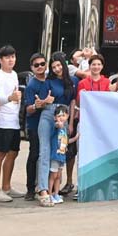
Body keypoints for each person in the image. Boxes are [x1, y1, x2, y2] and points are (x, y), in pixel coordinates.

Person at [30, 52, 75, 207]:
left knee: (59, 152)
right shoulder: (48, 82)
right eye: (53, 67)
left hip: (64, 116)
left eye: (59, 65)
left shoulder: (71, 81)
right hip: (48, 115)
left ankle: (55, 191)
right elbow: (40, 102)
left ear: (64, 65)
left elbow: (72, 102)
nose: (57, 69)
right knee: (44, 152)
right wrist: (45, 101)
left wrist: (70, 123)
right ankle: (43, 190)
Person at [0, 44, 24, 202]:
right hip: (2, 121)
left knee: (13, 153)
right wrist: (10, 98)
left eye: (13, 57)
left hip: (14, 120)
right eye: (7, 57)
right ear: (0, 60)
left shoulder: (14, 74)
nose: (11, 60)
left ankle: (7, 187)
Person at [20, 53, 47, 199]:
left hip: (50, 124)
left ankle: (45, 187)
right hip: (35, 125)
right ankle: (30, 189)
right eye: (36, 65)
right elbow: (28, 109)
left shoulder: (50, 81)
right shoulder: (31, 85)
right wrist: (37, 105)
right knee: (34, 155)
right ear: (32, 67)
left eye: (42, 64)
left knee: (47, 156)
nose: (40, 67)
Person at [47, 105, 71, 205]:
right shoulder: (56, 126)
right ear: (55, 117)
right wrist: (58, 124)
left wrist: (76, 137)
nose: (61, 118)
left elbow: (66, 141)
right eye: (58, 116)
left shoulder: (64, 129)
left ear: (67, 116)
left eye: (63, 115)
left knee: (58, 176)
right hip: (55, 156)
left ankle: (56, 194)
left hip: (62, 156)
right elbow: (57, 126)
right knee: (53, 175)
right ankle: (49, 194)